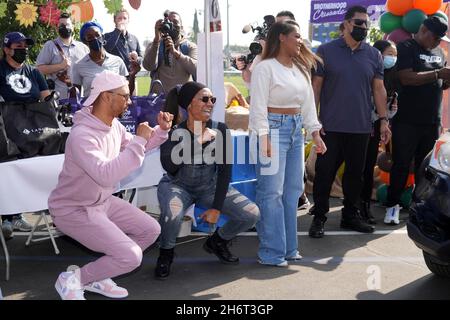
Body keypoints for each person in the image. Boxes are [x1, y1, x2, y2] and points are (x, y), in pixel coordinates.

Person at [48, 70, 173, 300]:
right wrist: (139, 140)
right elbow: (105, 175)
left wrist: (160, 131)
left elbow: (138, 148)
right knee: (131, 256)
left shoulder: (113, 126)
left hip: (101, 203)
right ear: (106, 97)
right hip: (73, 210)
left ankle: (99, 275)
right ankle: (73, 279)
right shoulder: (82, 135)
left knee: (150, 230)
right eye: (125, 96)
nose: (129, 101)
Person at [155, 81, 260, 279]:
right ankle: (166, 253)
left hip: (208, 188)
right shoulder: (174, 131)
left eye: (213, 99)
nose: (210, 103)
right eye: (204, 99)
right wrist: (197, 142)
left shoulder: (220, 129)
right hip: (177, 186)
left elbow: (225, 172)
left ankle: (217, 242)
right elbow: (169, 166)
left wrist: (216, 208)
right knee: (172, 215)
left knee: (251, 214)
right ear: (188, 105)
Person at [309, 5, 391, 238]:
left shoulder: (374, 54)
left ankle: (350, 215)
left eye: (366, 24)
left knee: (356, 175)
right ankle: (320, 217)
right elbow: (316, 87)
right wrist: (313, 120)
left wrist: (384, 120)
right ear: (345, 24)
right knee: (324, 174)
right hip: (330, 127)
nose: (363, 28)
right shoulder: (325, 51)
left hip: (361, 127)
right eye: (358, 23)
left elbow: (379, 88)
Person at [250, 20, 326, 266]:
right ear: (281, 37)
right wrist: (264, 137)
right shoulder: (265, 67)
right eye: (296, 36)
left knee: (293, 191)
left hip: (295, 131)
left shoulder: (301, 68)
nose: (300, 41)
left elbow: (307, 105)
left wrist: (315, 133)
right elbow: (258, 106)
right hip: (272, 130)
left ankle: (289, 248)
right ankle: (271, 252)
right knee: (271, 192)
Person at [385, 16, 450, 225]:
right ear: (423, 30)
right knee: (401, 163)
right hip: (408, 119)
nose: (438, 42)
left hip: (432, 120)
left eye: (441, 38)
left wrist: (445, 79)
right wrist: (438, 73)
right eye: (435, 37)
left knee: (426, 167)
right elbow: (405, 77)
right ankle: (392, 206)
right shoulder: (405, 48)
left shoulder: (440, 52)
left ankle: (417, 205)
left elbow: (441, 83)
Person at [0, 32, 50, 238]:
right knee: (10, 171)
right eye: (17, 46)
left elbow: (46, 98)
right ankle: (9, 217)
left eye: (25, 46)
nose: (23, 49)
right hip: (7, 126)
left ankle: (23, 212)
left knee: (30, 168)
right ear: (6, 49)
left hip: (32, 125)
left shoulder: (34, 72)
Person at [360, 40, 399, 224]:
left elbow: (391, 107)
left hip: (377, 125)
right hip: (359, 124)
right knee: (355, 167)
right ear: (378, 54)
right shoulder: (368, 73)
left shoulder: (393, 76)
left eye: (395, 54)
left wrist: (386, 118)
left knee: (368, 167)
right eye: (389, 53)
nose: (392, 58)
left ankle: (364, 206)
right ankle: (352, 206)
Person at [72, 21, 136, 97]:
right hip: (91, 108)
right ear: (86, 42)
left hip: (115, 107)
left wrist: (132, 75)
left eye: (97, 35)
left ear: (102, 37)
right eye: (90, 37)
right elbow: (75, 98)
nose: (95, 39)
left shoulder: (118, 61)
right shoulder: (79, 66)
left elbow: (128, 92)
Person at [36, 13, 89, 99]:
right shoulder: (50, 45)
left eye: (67, 24)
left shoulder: (83, 48)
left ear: (73, 26)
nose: (65, 27)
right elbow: (39, 69)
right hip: (57, 101)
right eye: (61, 25)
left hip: (79, 100)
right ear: (57, 28)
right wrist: (60, 66)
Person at [143, 11, 197, 93]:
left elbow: (196, 69)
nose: (171, 25)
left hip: (182, 100)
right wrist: (157, 40)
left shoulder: (190, 46)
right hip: (160, 100)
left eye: (175, 22)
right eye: (169, 22)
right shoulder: (155, 44)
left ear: (181, 27)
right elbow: (148, 66)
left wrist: (176, 53)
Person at [238, 11, 296, 86]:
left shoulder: (302, 45)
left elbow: (286, 78)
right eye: (277, 26)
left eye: (284, 25)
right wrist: (244, 68)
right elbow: (250, 81)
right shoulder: (265, 51)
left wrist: (267, 53)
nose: (279, 29)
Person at [104, 8, 142, 73]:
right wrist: (118, 31)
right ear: (114, 20)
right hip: (114, 76)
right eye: (119, 18)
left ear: (128, 20)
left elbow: (141, 58)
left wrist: (137, 58)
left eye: (124, 18)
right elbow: (106, 50)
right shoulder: (107, 36)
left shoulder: (134, 38)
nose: (122, 21)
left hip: (131, 77)